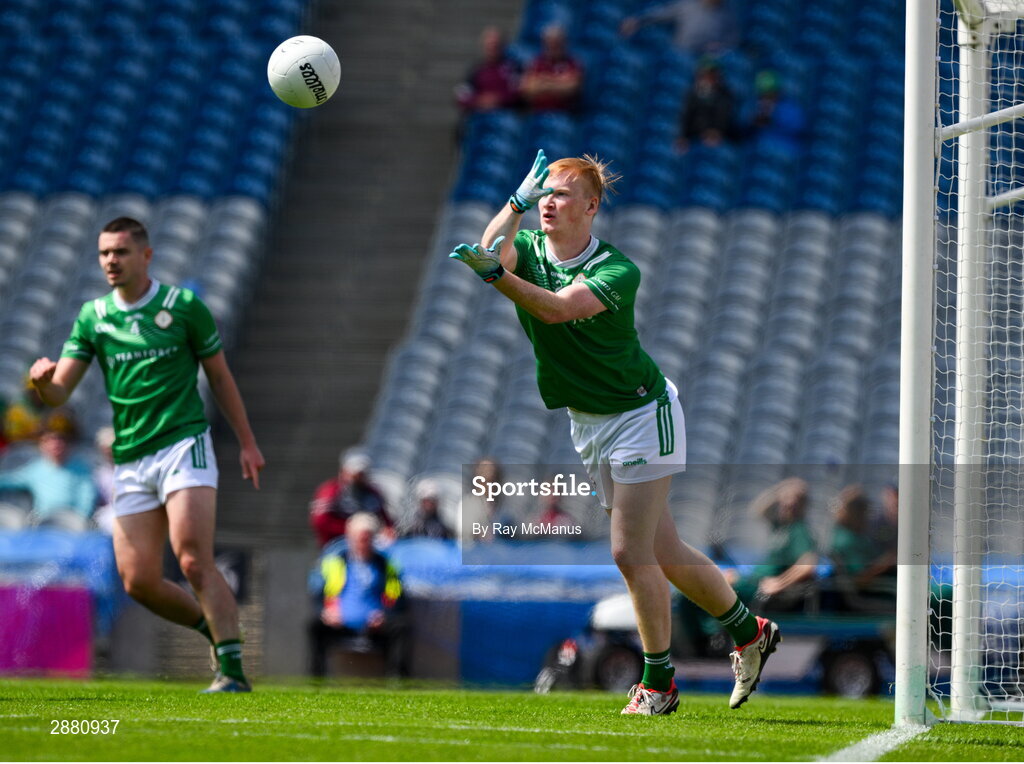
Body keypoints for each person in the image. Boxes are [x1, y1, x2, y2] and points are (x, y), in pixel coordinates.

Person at [449, 150, 779, 715]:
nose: (548, 201)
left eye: (559, 193)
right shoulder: (529, 246)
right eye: (544, 192)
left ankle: (658, 685)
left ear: (591, 206)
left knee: (630, 552)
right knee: (664, 550)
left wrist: (497, 274)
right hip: (590, 421)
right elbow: (492, 251)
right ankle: (750, 632)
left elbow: (555, 309)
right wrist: (513, 205)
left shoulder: (617, 269)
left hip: (640, 414)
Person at [28, 217, 265, 693]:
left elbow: (219, 377)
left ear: (146, 255)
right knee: (137, 582)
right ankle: (213, 632)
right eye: (103, 254)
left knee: (193, 558)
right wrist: (41, 383)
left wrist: (246, 441)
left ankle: (233, 673)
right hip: (132, 459)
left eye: (120, 252)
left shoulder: (183, 307)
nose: (111, 261)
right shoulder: (94, 315)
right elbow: (60, 393)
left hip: (183, 445)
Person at [309, 512, 409, 678]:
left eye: (367, 538)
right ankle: (316, 679)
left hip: (375, 627)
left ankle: (397, 681)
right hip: (340, 625)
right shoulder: (334, 562)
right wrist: (327, 612)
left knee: (402, 628)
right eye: (358, 538)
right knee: (315, 627)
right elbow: (318, 593)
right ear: (349, 537)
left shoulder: (385, 565)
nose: (362, 542)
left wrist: (385, 615)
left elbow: (398, 599)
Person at [728, 477, 819, 609]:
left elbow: (807, 566)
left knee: (719, 586)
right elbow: (758, 510)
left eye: (792, 501)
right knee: (722, 577)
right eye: (784, 499)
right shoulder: (781, 526)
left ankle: (711, 629)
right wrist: (780, 490)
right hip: (754, 579)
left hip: (760, 588)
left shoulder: (799, 531)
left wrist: (779, 583)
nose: (786, 504)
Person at [0, 423, 97, 522]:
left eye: (59, 440)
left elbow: (87, 497)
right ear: (42, 446)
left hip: (72, 520)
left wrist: (81, 518)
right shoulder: (35, 469)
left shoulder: (81, 468)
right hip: (44, 520)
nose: (55, 445)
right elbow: (11, 480)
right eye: (48, 441)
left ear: (67, 444)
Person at [309, 449, 393, 547]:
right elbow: (320, 522)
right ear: (344, 471)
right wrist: (352, 531)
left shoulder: (373, 493)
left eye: (362, 474)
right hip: (338, 546)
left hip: (369, 546)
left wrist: (387, 531)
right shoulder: (330, 491)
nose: (359, 478)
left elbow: (386, 521)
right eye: (355, 475)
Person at [620, 0, 739, 56]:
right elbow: (659, 15)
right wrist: (638, 20)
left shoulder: (727, 14)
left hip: (708, 58)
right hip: (681, 55)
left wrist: (722, 46)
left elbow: (733, 40)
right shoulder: (687, 6)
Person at [455, 26, 522, 115]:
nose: (492, 48)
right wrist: (479, 100)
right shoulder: (476, 70)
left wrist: (498, 99)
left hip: (505, 113)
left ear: (503, 46)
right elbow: (462, 95)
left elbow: (519, 92)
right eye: (489, 45)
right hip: (480, 114)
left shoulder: (512, 68)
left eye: (495, 45)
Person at [520, 24, 583, 113]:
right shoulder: (535, 63)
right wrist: (558, 82)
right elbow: (527, 90)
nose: (552, 46)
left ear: (563, 43)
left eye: (557, 43)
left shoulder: (572, 63)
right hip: (538, 114)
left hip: (564, 115)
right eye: (549, 43)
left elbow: (571, 89)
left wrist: (543, 80)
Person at [748, 70, 806, 162]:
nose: (766, 96)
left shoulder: (790, 107)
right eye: (763, 93)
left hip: (787, 155)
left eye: (770, 92)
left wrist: (772, 117)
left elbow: (797, 127)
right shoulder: (756, 106)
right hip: (762, 155)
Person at [679, 59, 736, 151]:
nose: (708, 77)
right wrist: (683, 137)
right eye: (705, 74)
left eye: (711, 74)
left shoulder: (725, 95)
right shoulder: (693, 95)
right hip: (695, 137)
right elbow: (686, 116)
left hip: (719, 138)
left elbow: (723, 116)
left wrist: (715, 131)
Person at [91, 426, 117, 534]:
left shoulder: (133, 469)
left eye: (111, 448)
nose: (109, 452)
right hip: (106, 517)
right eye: (106, 448)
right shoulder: (98, 472)